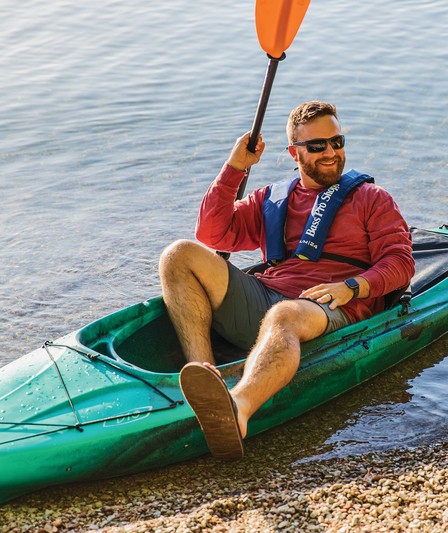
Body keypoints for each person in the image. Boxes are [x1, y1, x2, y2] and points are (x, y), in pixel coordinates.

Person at [159, 101, 415, 461]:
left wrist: (353, 286)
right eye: (317, 146)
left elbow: (401, 263)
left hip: (329, 305)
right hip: (268, 294)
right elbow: (213, 233)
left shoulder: (371, 199)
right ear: (295, 153)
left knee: (284, 315)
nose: (330, 152)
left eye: (337, 142)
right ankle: (206, 379)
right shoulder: (272, 199)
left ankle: (238, 409)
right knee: (178, 254)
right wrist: (235, 167)